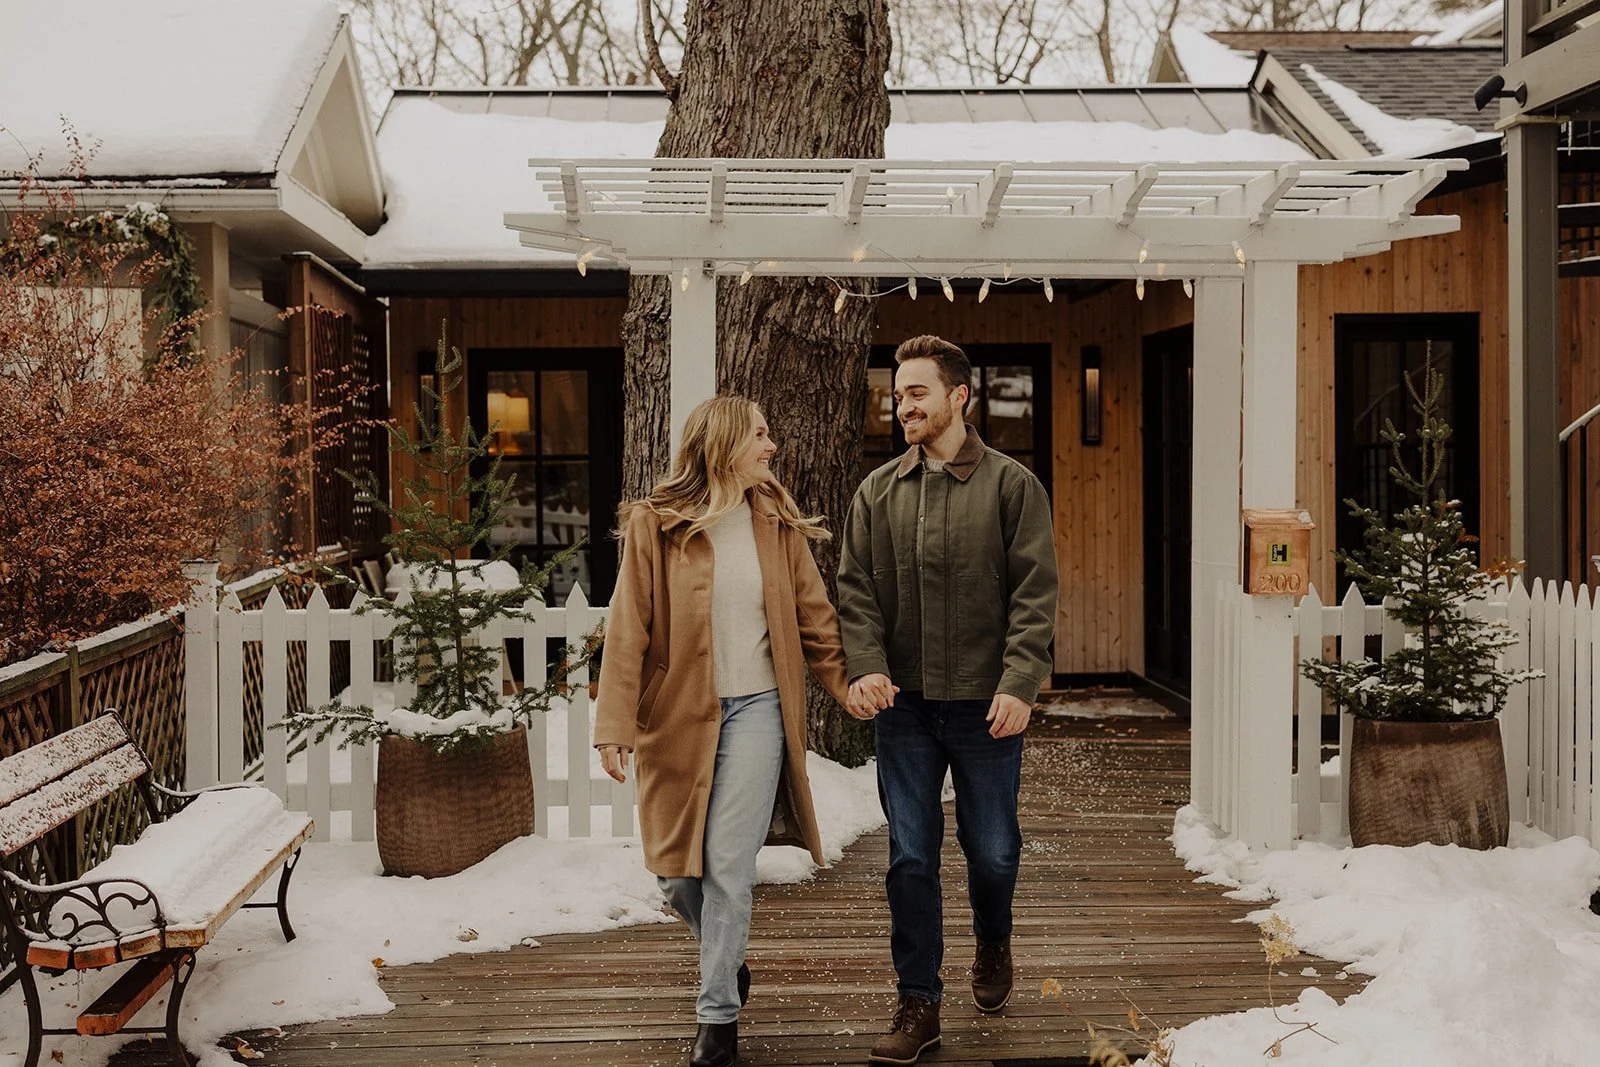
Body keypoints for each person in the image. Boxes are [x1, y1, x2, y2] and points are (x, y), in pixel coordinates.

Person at [594, 394, 863, 1067]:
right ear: (723, 443)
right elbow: (627, 629)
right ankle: (726, 954)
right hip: (678, 716)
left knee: (727, 868)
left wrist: (846, 685)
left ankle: (717, 1021)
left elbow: (816, 620)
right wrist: (614, 723)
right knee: (674, 875)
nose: (771, 447)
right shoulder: (657, 524)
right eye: (761, 435)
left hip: (758, 712)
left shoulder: (775, 522)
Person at [838, 335, 1058, 1067]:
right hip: (903, 708)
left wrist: (1020, 682)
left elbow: (1035, 595)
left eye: (915, 392)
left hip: (985, 705)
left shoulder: (1011, 487)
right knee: (910, 856)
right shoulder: (877, 492)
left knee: (993, 851)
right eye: (897, 393)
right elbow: (856, 592)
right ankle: (918, 1000)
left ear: (959, 396)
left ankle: (994, 937)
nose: (901, 404)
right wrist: (865, 666)